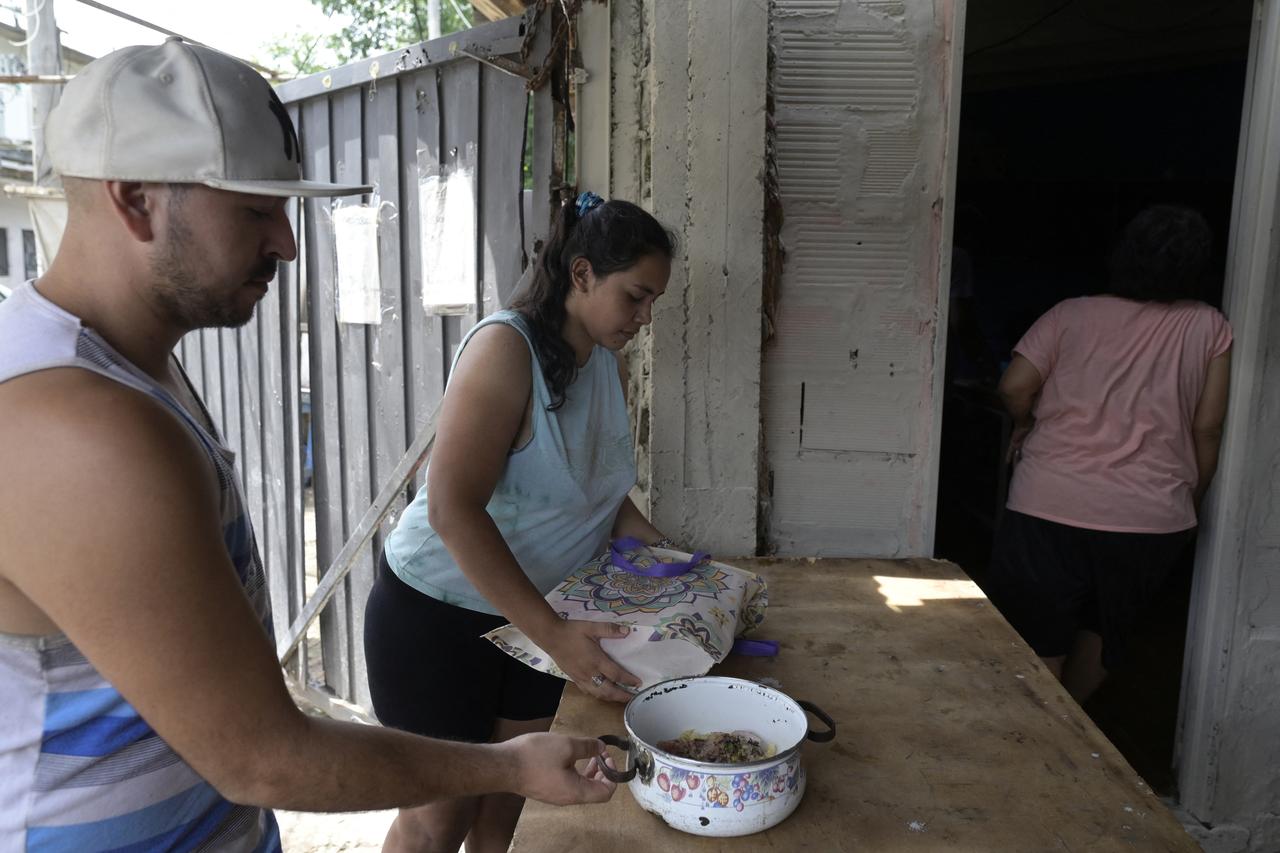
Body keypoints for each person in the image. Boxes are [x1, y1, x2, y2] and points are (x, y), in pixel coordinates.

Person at [0, 39, 615, 852]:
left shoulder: (131, 376)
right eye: (257, 210)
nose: (288, 243)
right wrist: (506, 767)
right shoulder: (73, 421)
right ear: (136, 200)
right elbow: (263, 758)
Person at [365, 191, 676, 852]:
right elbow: (452, 507)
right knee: (438, 818)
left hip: (540, 616)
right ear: (583, 273)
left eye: (654, 302)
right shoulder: (506, 349)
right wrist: (555, 634)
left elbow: (598, 498)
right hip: (436, 616)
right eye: (636, 296)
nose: (646, 317)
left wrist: (676, 564)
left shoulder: (602, 366)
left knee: (511, 803)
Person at [984, 205, 1232, 704]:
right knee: (1105, 632)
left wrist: (1026, 424)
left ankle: (1043, 742)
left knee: (1039, 638)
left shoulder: (1069, 314)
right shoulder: (1209, 326)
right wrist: (1191, 496)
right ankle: (1074, 734)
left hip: (1047, 502)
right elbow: (1207, 427)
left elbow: (1014, 387)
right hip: (1150, 515)